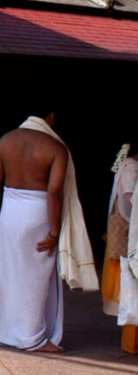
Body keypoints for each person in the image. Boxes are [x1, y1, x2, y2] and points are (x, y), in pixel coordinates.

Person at [0, 106, 98, 352]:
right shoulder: (56, 148)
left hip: (10, 210)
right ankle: (32, 337)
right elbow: (54, 192)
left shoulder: (6, 140)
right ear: (51, 116)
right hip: (38, 213)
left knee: (7, 271)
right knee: (36, 276)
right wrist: (55, 232)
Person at [104, 142, 138, 353]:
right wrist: (131, 222)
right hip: (129, 228)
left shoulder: (126, 166)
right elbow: (128, 201)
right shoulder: (131, 168)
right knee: (130, 281)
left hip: (131, 227)